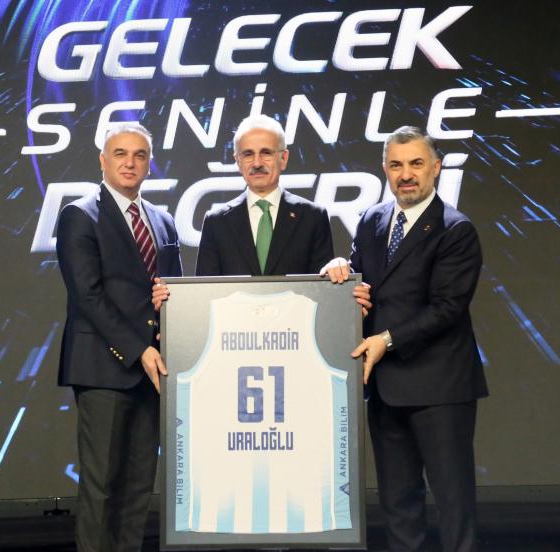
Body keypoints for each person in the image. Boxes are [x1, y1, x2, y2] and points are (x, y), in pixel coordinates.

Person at [324, 126, 488, 552]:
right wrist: (340, 272)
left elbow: (447, 308)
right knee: (398, 506)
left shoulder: (456, 229)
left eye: (416, 163)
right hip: (386, 390)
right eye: (396, 165)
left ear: (436, 167)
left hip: (440, 389)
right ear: (385, 169)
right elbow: (361, 286)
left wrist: (386, 340)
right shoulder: (372, 220)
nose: (406, 174)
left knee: (454, 505)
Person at [56, 123, 182, 552]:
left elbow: (174, 292)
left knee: (138, 486)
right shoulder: (79, 215)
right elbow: (87, 295)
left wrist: (169, 307)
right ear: (103, 161)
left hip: (154, 371)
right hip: (104, 368)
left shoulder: (163, 221)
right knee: (102, 485)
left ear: (149, 162)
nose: (130, 163)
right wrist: (138, 350)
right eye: (120, 154)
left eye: (140, 155)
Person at [153, 114, 369, 311]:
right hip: (234, 335)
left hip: (295, 334)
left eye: (266, 153)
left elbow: (324, 291)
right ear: (238, 161)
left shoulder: (312, 217)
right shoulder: (216, 221)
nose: (257, 163)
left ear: (283, 158)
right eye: (248, 154)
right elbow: (206, 294)